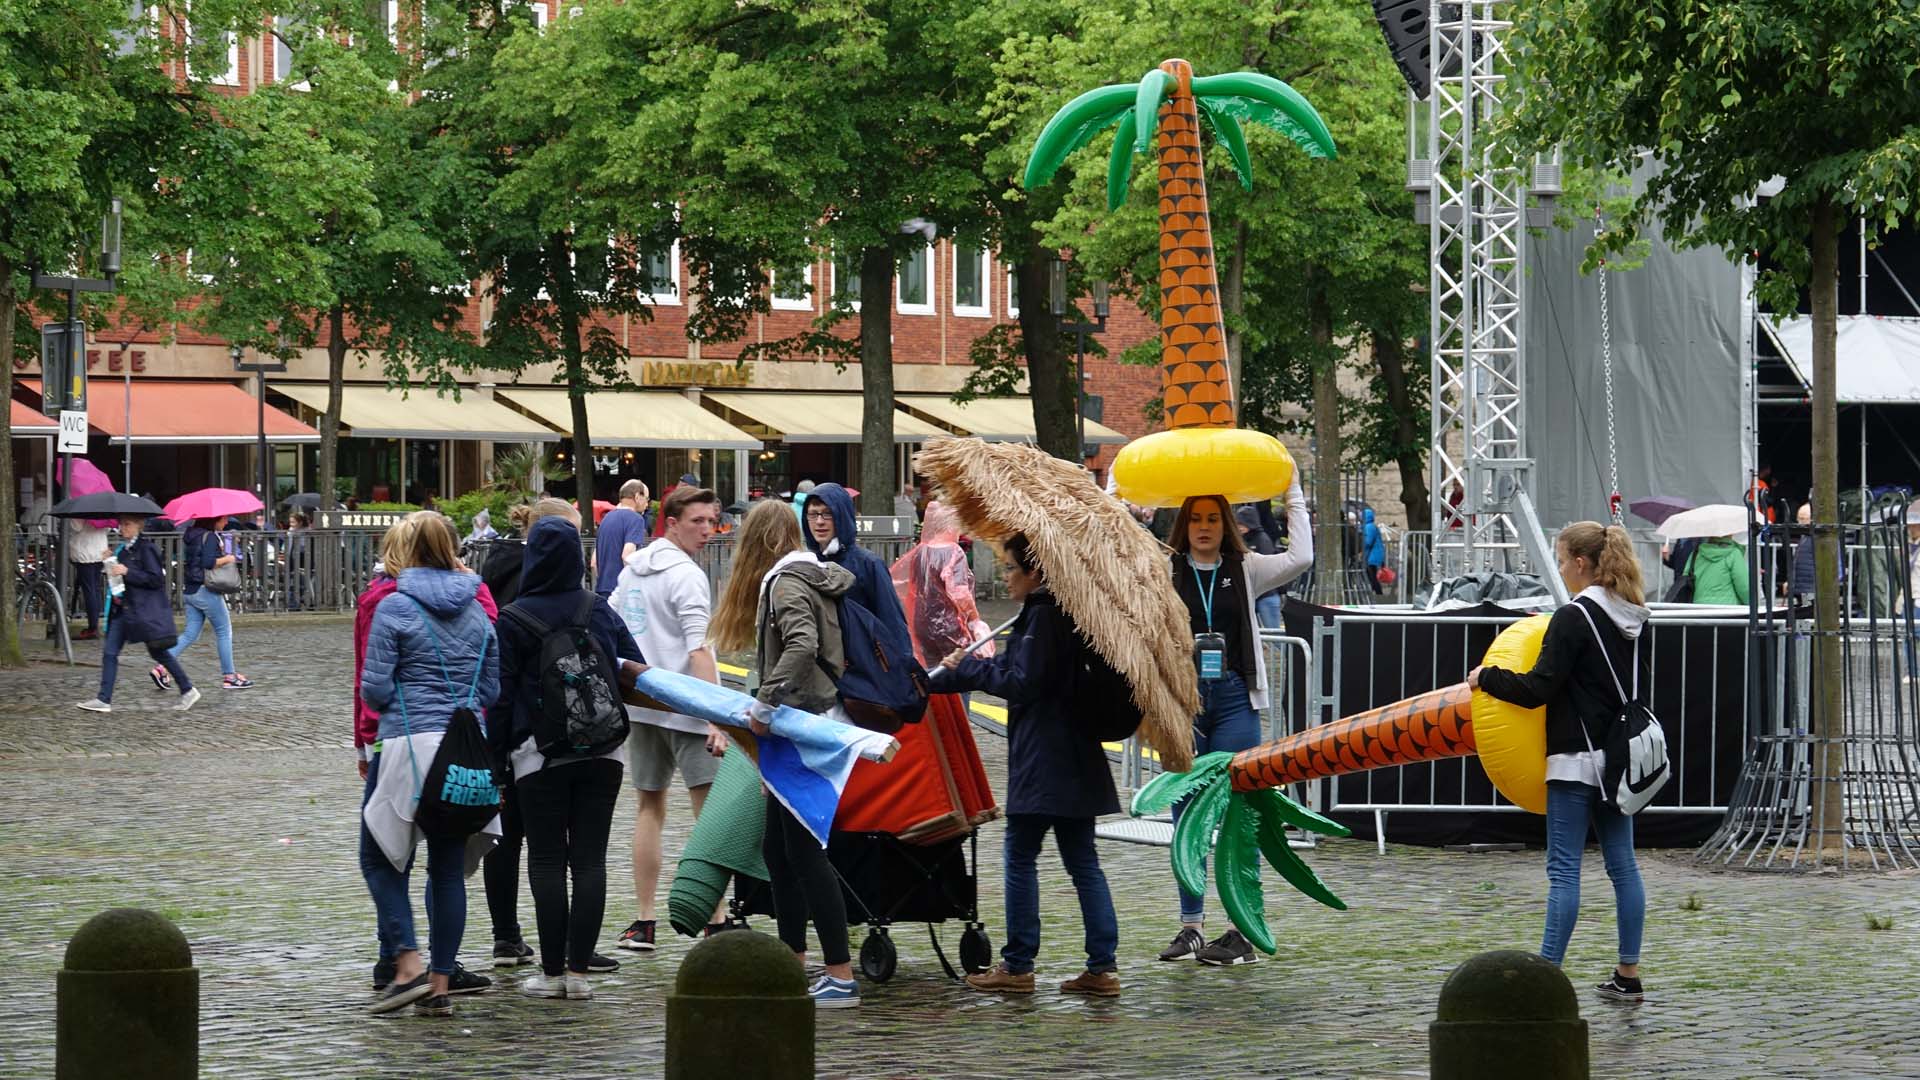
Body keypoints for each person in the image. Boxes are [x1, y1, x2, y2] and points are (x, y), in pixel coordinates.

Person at [928, 534, 1122, 998]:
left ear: (1035, 573)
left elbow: (1023, 682)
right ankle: (1102, 966)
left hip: (1045, 759)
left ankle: (1018, 965)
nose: (1007, 576)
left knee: (1019, 857)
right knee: (1083, 862)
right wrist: (968, 666)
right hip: (1073, 756)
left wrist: (967, 672)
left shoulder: (1045, 616)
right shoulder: (1055, 612)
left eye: (1012, 569)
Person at [1468, 521, 1651, 1003]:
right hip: (1619, 760)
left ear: (1581, 564)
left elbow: (1537, 689)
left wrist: (1487, 677)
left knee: (1564, 870)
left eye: (1562, 557)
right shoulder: (1635, 614)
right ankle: (1627, 974)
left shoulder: (1572, 617)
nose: (1560, 566)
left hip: (1573, 759)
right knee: (1624, 867)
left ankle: (1546, 976)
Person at [709, 500, 861, 1008]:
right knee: (779, 849)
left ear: (762, 542)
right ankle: (793, 961)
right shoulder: (807, 576)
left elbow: (801, 644)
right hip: (805, 722)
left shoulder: (787, 582)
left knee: (803, 853)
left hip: (799, 724)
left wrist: (764, 704)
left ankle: (839, 974)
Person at [491, 514, 646, 1000]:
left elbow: (498, 698)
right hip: (605, 751)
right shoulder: (597, 608)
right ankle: (580, 974)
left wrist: (498, 762)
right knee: (590, 860)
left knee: (546, 859)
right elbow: (634, 670)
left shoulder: (513, 618)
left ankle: (552, 973)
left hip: (539, 755)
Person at [1160, 476, 1313, 967]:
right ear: (1183, 525)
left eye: (1212, 519)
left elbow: (1300, 559)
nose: (1204, 528)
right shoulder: (1163, 569)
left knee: (1237, 814)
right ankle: (1191, 926)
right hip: (1183, 701)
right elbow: (1112, 557)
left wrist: (1292, 496)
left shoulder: (1245, 568)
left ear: (1225, 525)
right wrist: (1116, 493)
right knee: (1184, 812)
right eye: (1196, 519)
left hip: (1233, 698)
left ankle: (1238, 931)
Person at [358, 511, 501, 1017]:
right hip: (464, 750)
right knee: (446, 867)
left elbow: (373, 690)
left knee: (379, 857)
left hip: (405, 745)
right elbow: (490, 690)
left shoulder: (394, 607)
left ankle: (407, 962)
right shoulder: (480, 610)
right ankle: (441, 983)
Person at [608, 486, 729, 951]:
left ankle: (644, 920)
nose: (707, 530)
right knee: (708, 815)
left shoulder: (633, 570)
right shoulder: (687, 576)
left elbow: (614, 625)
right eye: (697, 521)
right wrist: (716, 716)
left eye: (711, 521)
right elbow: (699, 650)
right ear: (671, 522)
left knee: (648, 807)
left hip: (643, 701)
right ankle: (714, 918)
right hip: (688, 705)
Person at [74, 515, 197, 714]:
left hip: (142, 611)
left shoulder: (146, 548)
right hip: (124, 609)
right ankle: (104, 699)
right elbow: (118, 578)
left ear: (138, 526)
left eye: (127, 524)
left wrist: (127, 571)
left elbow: (155, 579)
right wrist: (109, 562)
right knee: (110, 652)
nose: (123, 528)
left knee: (157, 652)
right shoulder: (124, 550)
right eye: (121, 524)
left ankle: (187, 688)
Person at [153, 517, 251, 692]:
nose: (226, 521)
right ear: (213, 520)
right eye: (223, 519)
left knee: (190, 634)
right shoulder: (210, 536)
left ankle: (161, 667)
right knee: (224, 631)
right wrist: (227, 558)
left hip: (191, 590)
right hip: (206, 591)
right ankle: (230, 677)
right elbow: (208, 563)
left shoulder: (191, 535)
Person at [801, 482, 912, 634]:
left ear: (842, 516)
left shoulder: (868, 564)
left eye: (828, 513)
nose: (820, 521)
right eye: (813, 514)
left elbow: (893, 623)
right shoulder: (807, 563)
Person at [891, 500, 992, 665]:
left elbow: (912, 586)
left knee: (933, 674)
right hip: (948, 625)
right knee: (959, 670)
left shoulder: (920, 551)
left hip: (921, 623)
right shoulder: (953, 551)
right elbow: (960, 593)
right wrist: (975, 620)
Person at [592, 479, 650, 596]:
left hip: (602, 589)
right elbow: (627, 556)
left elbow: (593, 562)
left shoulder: (606, 519)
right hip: (622, 591)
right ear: (638, 496)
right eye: (647, 499)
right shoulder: (636, 519)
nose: (647, 504)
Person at [1234, 505, 1284, 630]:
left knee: (1273, 634)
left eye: (1242, 523)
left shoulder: (1262, 540)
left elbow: (1267, 567)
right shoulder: (1241, 540)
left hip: (1266, 595)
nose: (1239, 526)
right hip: (1251, 594)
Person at [68, 516, 109, 640]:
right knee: (95, 589)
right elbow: (106, 528)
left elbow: (77, 527)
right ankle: (94, 624)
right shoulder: (103, 508)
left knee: (89, 590)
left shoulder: (82, 510)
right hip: (100, 552)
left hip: (85, 553)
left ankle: (92, 627)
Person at [1683, 535, 1749, 606]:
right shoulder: (1734, 554)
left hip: (1699, 608)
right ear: (1730, 534)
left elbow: (1686, 578)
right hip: (1728, 609)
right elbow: (1744, 587)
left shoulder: (1696, 554)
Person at [1362, 507, 1388, 595]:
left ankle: (1378, 593)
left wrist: (1360, 545)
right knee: (1372, 575)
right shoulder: (1371, 526)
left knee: (1372, 576)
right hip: (1375, 555)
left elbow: (1368, 542)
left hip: (1372, 556)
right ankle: (1376, 592)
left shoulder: (1369, 527)